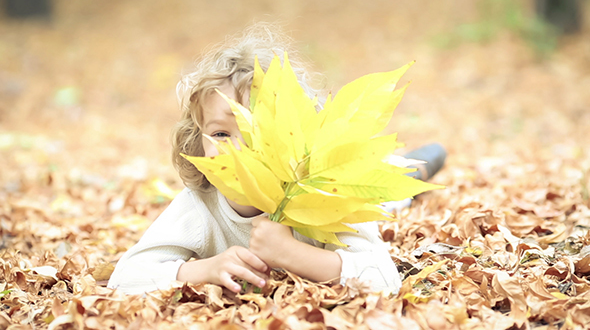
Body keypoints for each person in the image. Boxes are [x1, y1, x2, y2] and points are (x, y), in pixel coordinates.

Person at [107, 23, 444, 296]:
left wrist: (293, 254)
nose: (238, 151)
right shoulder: (200, 206)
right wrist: (202, 270)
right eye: (222, 134)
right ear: (199, 143)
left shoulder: (323, 193)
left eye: (257, 131)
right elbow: (124, 279)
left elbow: (384, 280)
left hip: (352, 189)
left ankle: (416, 166)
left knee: (394, 189)